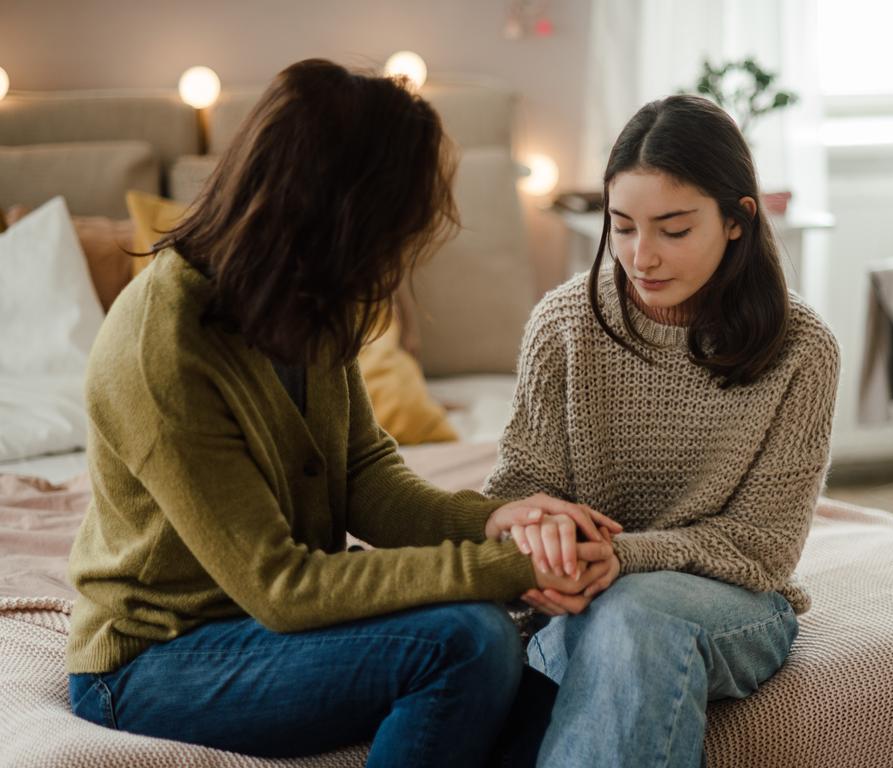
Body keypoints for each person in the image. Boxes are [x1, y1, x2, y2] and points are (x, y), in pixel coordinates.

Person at [64, 59, 623, 767]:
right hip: (156, 661)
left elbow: (364, 475)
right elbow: (283, 587)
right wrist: (502, 568)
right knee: (468, 641)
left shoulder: (314, 300)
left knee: (558, 695)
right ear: (339, 213)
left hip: (272, 632)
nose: (395, 257)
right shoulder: (163, 347)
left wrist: (491, 519)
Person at [484, 94, 841, 768]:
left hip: (735, 603)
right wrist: (546, 542)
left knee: (634, 616)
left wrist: (624, 558)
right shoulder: (564, 326)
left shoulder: (802, 348)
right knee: (603, 622)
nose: (641, 256)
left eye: (673, 230)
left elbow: (763, 549)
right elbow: (518, 492)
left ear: (739, 220)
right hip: (581, 595)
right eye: (621, 228)